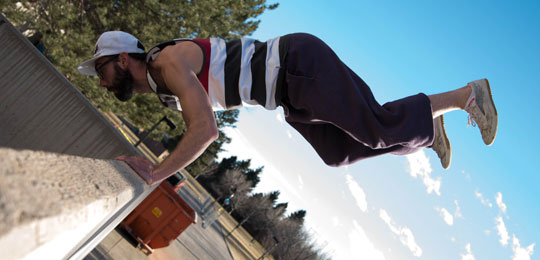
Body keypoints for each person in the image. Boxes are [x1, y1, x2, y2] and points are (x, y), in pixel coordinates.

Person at [78, 31, 498, 185]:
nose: (99, 82)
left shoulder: (167, 64)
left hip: (297, 65)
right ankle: (431, 131)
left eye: (100, 70)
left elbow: (204, 129)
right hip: (289, 93)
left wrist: (155, 172)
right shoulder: (158, 81)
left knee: (378, 127)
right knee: (339, 153)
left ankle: (468, 95)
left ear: (120, 59)